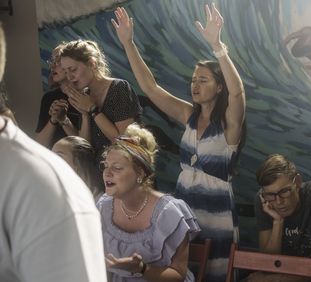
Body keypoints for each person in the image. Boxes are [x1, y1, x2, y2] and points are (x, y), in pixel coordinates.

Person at [112, 5, 246, 281]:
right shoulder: (188, 114)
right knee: (181, 272)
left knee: (215, 274)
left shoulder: (229, 124)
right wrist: (128, 43)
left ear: (218, 87)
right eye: (193, 80)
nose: (195, 85)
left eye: (203, 80)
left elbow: (238, 92)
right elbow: (150, 88)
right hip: (183, 210)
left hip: (216, 214)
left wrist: (217, 47)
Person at [0, 25, 107, 282]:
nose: (65, 74)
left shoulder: (45, 190)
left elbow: (84, 145)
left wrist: (87, 112)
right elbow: (41, 139)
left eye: (71, 69)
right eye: (62, 68)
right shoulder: (52, 99)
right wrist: (56, 120)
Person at [97, 124, 200, 281]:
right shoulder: (103, 207)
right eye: (106, 166)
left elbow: (178, 275)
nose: (107, 173)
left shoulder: (169, 213)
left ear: (140, 172)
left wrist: (141, 268)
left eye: (117, 168)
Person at [248, 154, 311, 282]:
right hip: (285, 274)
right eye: (271, 194)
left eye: (284, 191)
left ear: (298, 182)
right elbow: (267, 266)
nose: (278, 202)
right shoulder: (263, 200)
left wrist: (277, 279)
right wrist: (278, 222)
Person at [59, 39, 142, 153]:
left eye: (73, 69)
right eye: (65, 72)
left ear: (92, 64)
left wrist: (93, 109)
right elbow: (86, 150)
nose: (69, 77)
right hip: (98, 169)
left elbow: (125, 143)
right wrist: (84, 115)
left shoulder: (119, 88)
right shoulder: (84, 96)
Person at [35, 42, 80, 148]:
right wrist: (53, 119)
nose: (52, 65)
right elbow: (40, 145)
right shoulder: (48, 98)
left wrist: (64, 120)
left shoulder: (86, 95)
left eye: (58, 61)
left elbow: (85, 144)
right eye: (52, 61)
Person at [52, 135, 103, 200]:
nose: (52, 160)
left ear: (78, 161)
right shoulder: (53, 192)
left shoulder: (101, 201)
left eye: (59, 156)